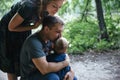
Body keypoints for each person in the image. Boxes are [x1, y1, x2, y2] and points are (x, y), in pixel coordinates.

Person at [0, 0, 65, 80]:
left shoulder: (47, 9)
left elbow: (53, 25)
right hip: (8, 31)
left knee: (22, 57)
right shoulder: (29, 6)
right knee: (11, 63)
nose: (56, 10)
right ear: (45, 2)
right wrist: (33, 27)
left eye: (59, 7)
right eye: (54, 6)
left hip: (24, 27)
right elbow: (11, 27)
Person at [20, 15, 75, 80]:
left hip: (46, 72)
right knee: (53, 78)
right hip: (31, 76)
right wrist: (65, 63)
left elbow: (62, 56)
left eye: (61, 32)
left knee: (72, 78)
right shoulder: (33, 43)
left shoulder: (53, 39)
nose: (60, 35)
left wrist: (71, 72)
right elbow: (45, 69)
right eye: (57, 32)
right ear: (46, 29)